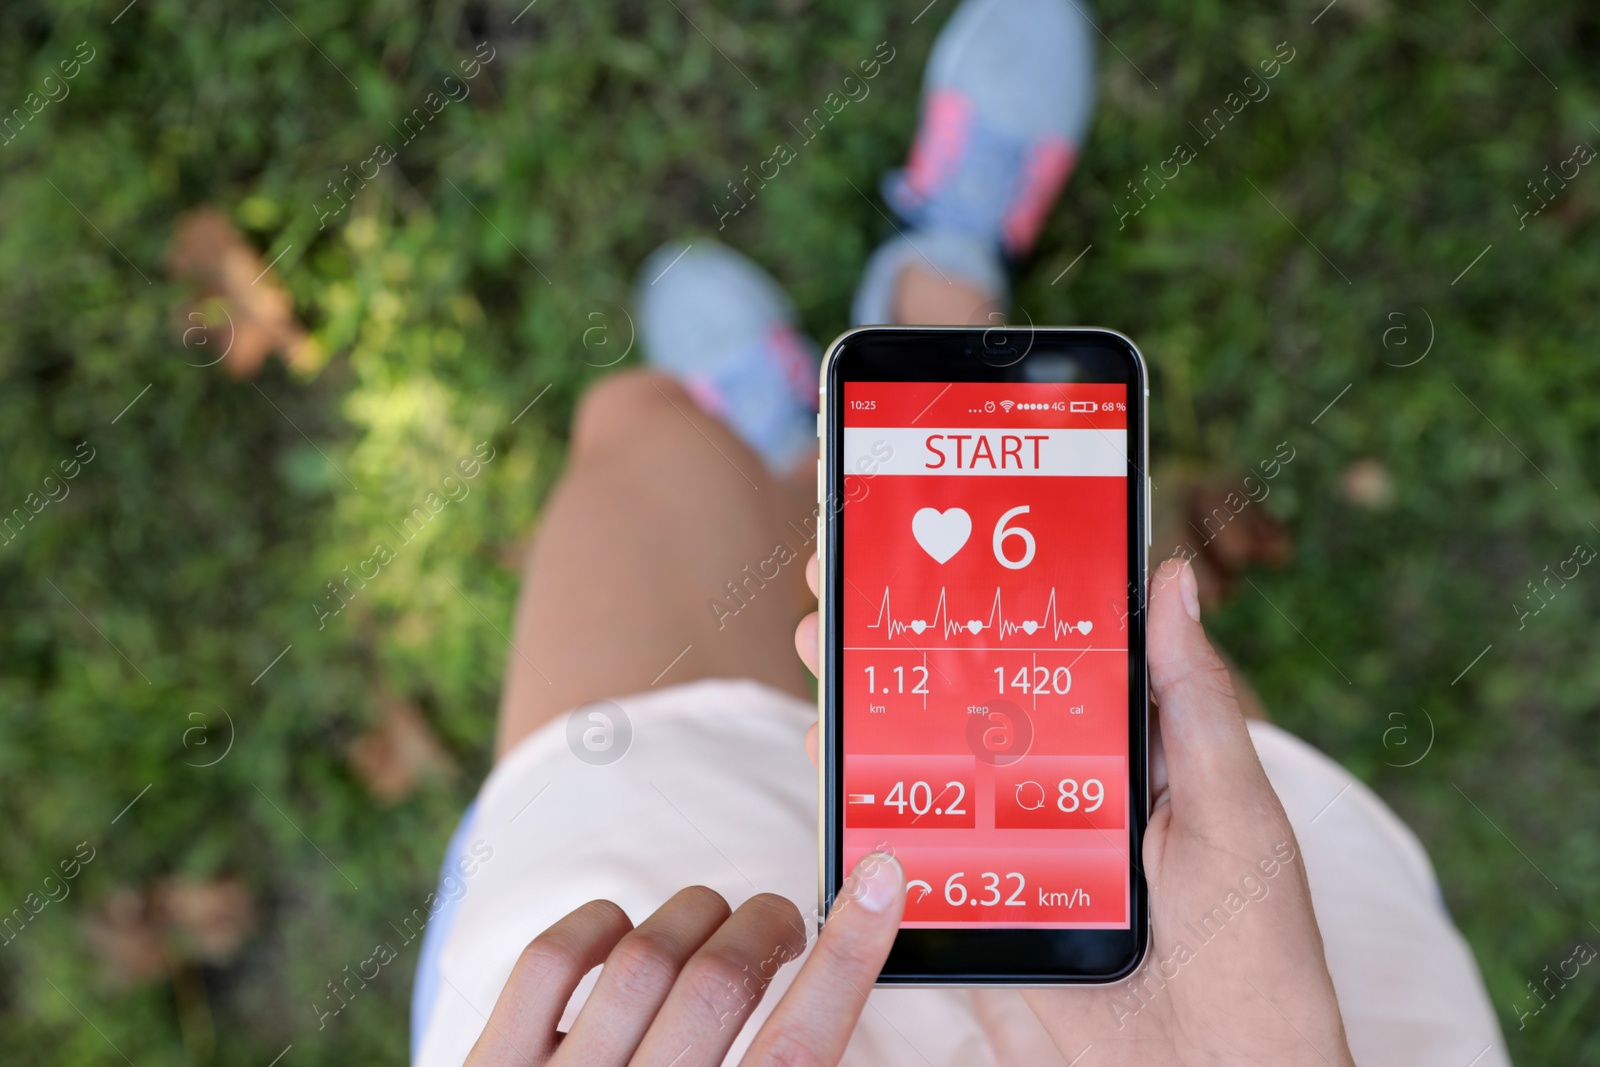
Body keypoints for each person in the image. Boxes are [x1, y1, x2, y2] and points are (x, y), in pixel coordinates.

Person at [409, 0, 1509, 1063]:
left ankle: (804, 452)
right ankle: (940, 295)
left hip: (686, 987)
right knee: (1156, 762)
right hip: (1226, 1023)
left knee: (645, 433)